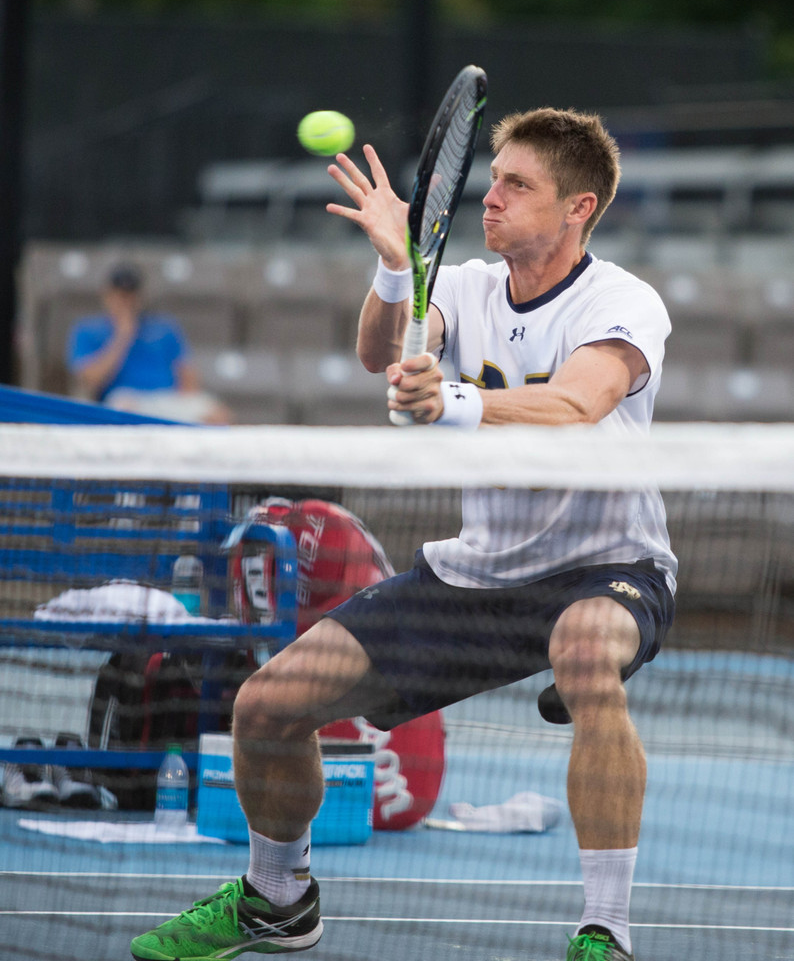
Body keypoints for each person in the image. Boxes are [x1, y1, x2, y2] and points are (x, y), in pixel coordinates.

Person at [130, 108, 677, 961]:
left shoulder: (623, 302)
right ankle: (279, 898)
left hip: (608, 565)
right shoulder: (457, 286)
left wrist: (454, 403)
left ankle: (606, 930)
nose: (489, 198)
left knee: (585, 652)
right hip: (475, 576)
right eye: (491, 179)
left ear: (579, 208)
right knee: (268, 706)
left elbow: (578, 404)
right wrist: (396, 268)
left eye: (516, 184)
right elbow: (378, 351)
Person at [66, 263, 230, 424]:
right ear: (108, 295)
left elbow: (187, 375)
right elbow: (89, 380)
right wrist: (122, 337)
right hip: (126, 398)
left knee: (217, 414)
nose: (126, 301)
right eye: (120, 295)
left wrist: (187, 406)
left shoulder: (165, 328)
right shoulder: (88, 330)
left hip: (167, 399)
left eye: (131, 295)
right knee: (123, 408)